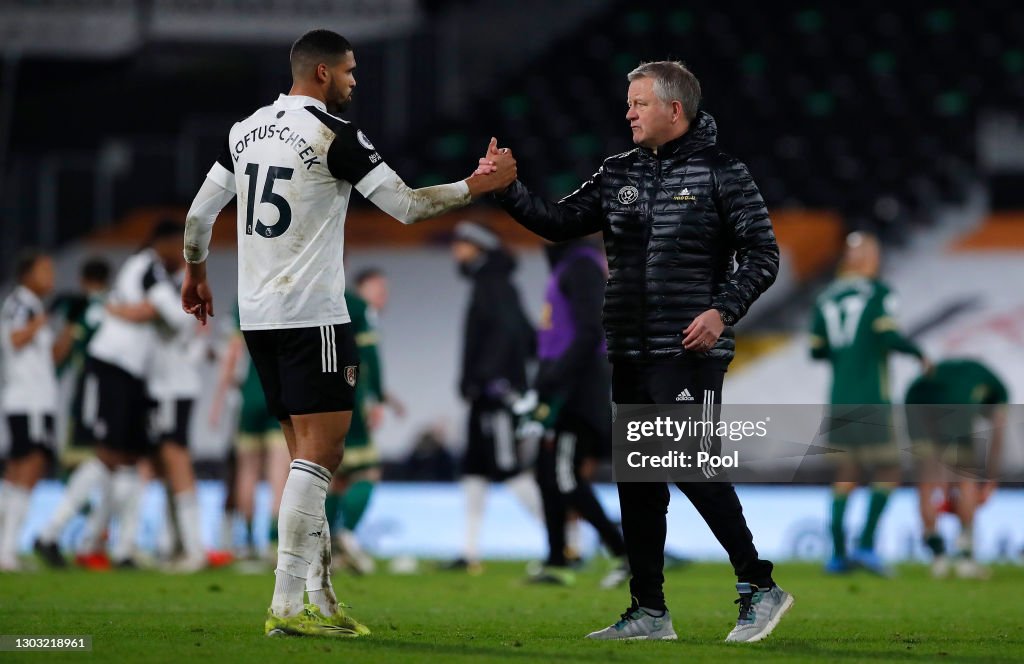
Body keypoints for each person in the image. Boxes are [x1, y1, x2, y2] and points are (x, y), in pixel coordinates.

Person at [180, 28, 513, 638]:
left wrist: (196, 276)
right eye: (351, 71)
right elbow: (408, 206)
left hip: (258, 317)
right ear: (324, 74)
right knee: (324, 454)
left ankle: (321, 596)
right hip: (314, 314)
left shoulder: (245, 130)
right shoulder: (332, 135)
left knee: (307, 457)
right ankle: (286, 604)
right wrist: (475, 187)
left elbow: (199, 214)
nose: (356, 80)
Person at [476, 60, 789, 643]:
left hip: (688, 350)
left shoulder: (723, 172)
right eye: (629, 103)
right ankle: (649, 610)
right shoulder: (617, 171)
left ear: (675, 109)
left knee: (687, 464)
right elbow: (560, 220)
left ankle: (759, 585)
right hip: (629, 349)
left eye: (639, 103)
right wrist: (509, 191)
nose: (629, 113)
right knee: (639, 485)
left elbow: (763, 255)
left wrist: (721, 310)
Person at [34, 222, 190, 568]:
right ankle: (50, 533)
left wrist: (126, 310)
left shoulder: (154, 272)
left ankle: (122, 548)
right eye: (178, 246)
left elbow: (151, 313)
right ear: (162, 243)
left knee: (131, 457)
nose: (181, 255)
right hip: (114, 365)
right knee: (110, 453)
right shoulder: (146, 266)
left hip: (134, 372)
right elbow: (160, 314)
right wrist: (132, 311)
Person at [810, 232, 928, 576]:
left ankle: (836, 554)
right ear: (870, 259)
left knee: (846, 474)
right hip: (873, 399)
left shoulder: (826, 297)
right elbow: (887, 334)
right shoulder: (879, 293)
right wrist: (918, 353)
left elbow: (817, 348)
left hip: (840, 399)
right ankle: (865, 546)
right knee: (889, 470)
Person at [517, 238, 629, 588]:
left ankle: (624, 553)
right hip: (564, 387)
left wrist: (551, 380)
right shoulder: (573, 265)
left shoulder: (581, 265)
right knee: (546, 476)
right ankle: (556, 560)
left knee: (565, 476)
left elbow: (589, 332)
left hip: (575, 391)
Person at [447, 221, 543, 574]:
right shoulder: (493, 283)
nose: (455, 250)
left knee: (508, 467)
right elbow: (528, 337)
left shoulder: (494, 284)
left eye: (461, 243)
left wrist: (490, 380)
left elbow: (509, 334)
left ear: (480, 246)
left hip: (495, 394)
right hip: (484, 393)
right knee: (474, 468)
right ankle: (468, 551)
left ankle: (565, 541)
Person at [905, 358, 1008, 579]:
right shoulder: (997, 391)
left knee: (926, 483)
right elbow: (997, 434)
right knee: (965, 480)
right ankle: (965, 559)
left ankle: (938, 558)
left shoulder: (962, 375)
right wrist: (991, 478)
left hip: (915, 403)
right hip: (946, 410)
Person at [0, 251, 70, 570]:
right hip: (27, 401)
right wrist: (39, 323)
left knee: (21, 471)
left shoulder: (33, 307)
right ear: (26, 274)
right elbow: (14, 339)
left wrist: (69, 333)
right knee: (27, 468)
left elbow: (50, 359)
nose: (50, 276)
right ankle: (7, 549)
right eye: (44, 269)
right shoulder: (22, 304)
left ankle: (6, 547)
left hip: (36, 400)